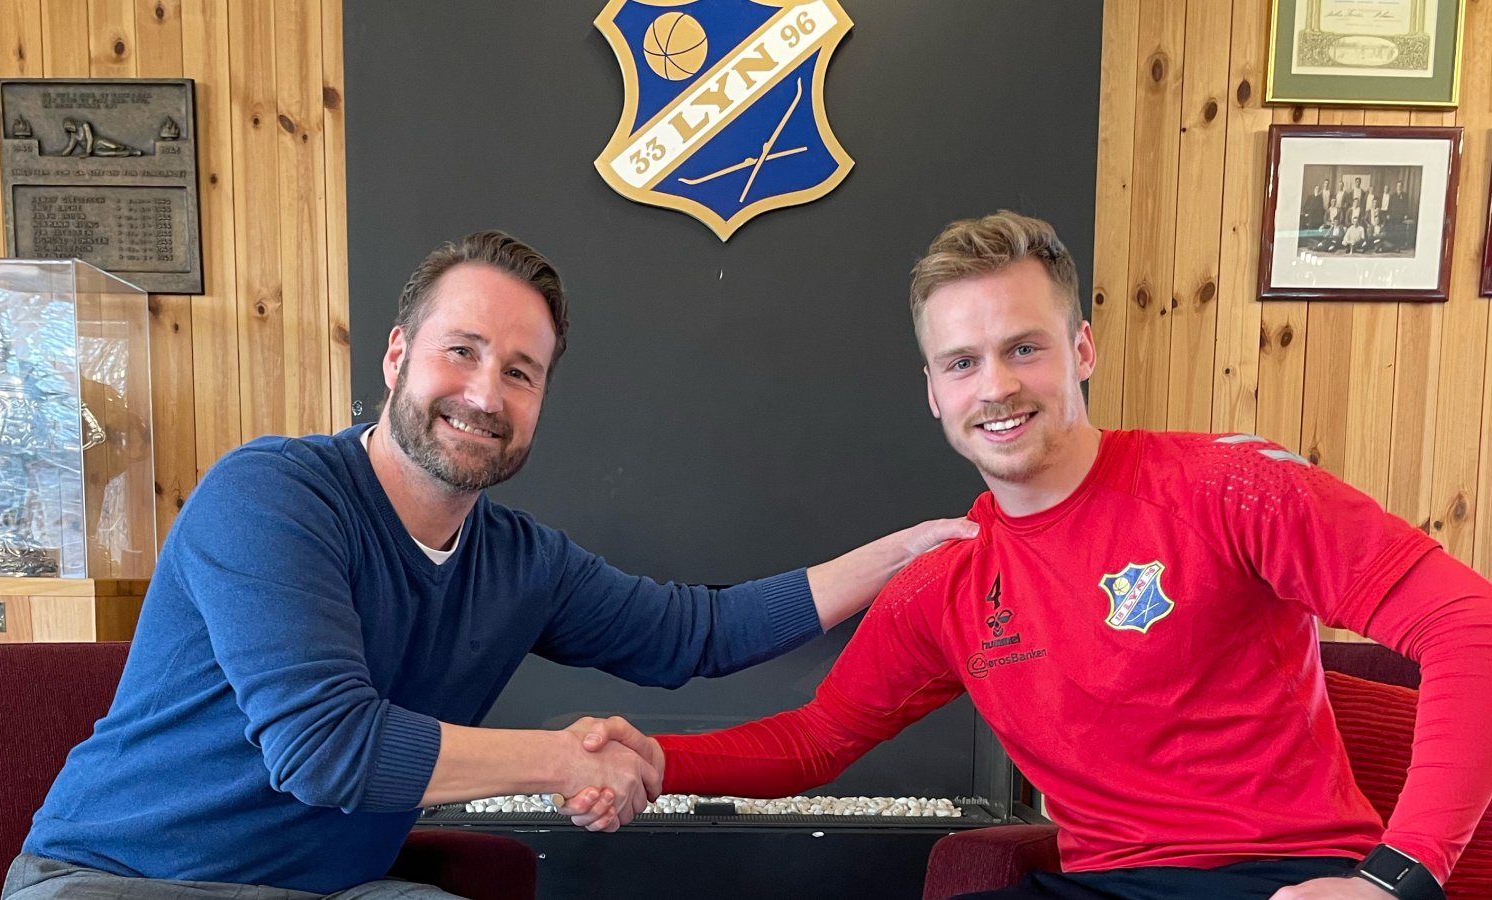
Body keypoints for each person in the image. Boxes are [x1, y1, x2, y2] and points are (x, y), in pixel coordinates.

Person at [0, 231, 974, 899]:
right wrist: (563, 760)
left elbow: (698, 633)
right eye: (459, 352)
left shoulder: (519, 561)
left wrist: (906, 553)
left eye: (519, 371)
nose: (483, 392)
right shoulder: (273, 496)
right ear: (396, 357)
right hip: (118, 882)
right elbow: (326, 750)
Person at [571, 211, 1492, 899]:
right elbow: (816, 741)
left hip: (1279, 876)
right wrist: (657, 759)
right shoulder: (947, 579)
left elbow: (1469, 624)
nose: (997, 386)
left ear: (1081, 349)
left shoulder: (1227, 486)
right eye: (962, 362)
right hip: (1102, 885)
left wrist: (1398, 876)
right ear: (933, 392)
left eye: (1024, 349)